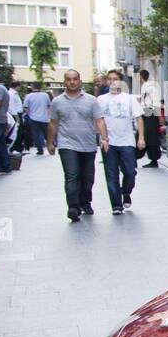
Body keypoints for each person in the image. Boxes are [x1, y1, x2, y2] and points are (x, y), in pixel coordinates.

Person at [46, 69, 106, 222]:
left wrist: (104, 138)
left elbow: (99, 120)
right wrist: (50, 142)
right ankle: (73, 207)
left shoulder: (92, 100)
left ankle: (85, 202)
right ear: (64, 82)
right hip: (67, 144)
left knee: (87, 178)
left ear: (79, 80)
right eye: (68, 79)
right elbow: (53, 123)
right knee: (72, 176)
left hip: (88, 144)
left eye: (74, 79)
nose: (72, 82)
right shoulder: (57, 101)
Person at [98, 69, 144, 215]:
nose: (112, 82)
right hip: (109, 142)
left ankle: (126, 192)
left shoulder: (129, 99)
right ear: (106, 81)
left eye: (115, 79)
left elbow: (139, 118)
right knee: (111, 174)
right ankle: (116, 205)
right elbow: (97, 120)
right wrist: (102, 138)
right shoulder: (101, 100)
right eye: (109, 79)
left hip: (127, 141)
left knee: (130, 172)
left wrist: (141, 138)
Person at [138, 68, 162, 167]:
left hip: (150, 113)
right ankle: (136, 156)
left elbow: (156, 102)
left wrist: (159, 116)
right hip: (144, 113)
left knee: (151, 137)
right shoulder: (144, 87)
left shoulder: (151, 87)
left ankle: (153, 159)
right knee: (144, 135)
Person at [23, 83, 51, 155]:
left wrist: (29, 115)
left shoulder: (28, 96)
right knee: (47, 134)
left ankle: (40, 150)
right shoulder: (45, 95)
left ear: (32, 87)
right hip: (44, 118)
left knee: (36, 135)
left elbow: (26, 107)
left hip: (33, 118)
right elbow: (49, 106)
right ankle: (51, 147)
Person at [7, 80, 26, 154]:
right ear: (17, 86)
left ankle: (19, 148)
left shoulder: (15, 94)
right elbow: (11, 106)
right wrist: (16, 116)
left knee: (20, 131)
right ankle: (14, 148)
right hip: (15, 114)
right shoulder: (11, 94)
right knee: (16, 131)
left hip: (18, 114)